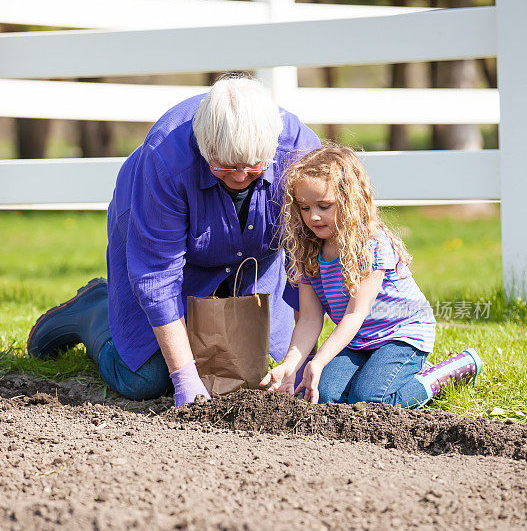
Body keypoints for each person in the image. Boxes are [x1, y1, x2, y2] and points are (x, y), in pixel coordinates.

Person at [27, 75, 320, 405]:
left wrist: (303, 357)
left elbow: (311, 249)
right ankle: (95, 307)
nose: (239, 177)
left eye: (253, 166)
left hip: (255, 255)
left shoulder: (299, 150)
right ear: (204, 145)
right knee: (144, 380)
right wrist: (184, 377)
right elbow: (158, 274)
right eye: (224, 165)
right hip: (166, 249)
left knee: (252, 372)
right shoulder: (165, 156)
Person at [261, 144, 483, 407]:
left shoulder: (371, 244)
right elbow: (309, 318)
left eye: (324, 205)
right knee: (327, 398)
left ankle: (446, 371)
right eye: (305, 207)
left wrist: (319, 361)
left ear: (349, 200)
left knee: (369, 400)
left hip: (401, 334)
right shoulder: (308, 251)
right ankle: (384, 372)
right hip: (358, 340)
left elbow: (357, 312)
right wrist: (290, 364)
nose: (314, 216)